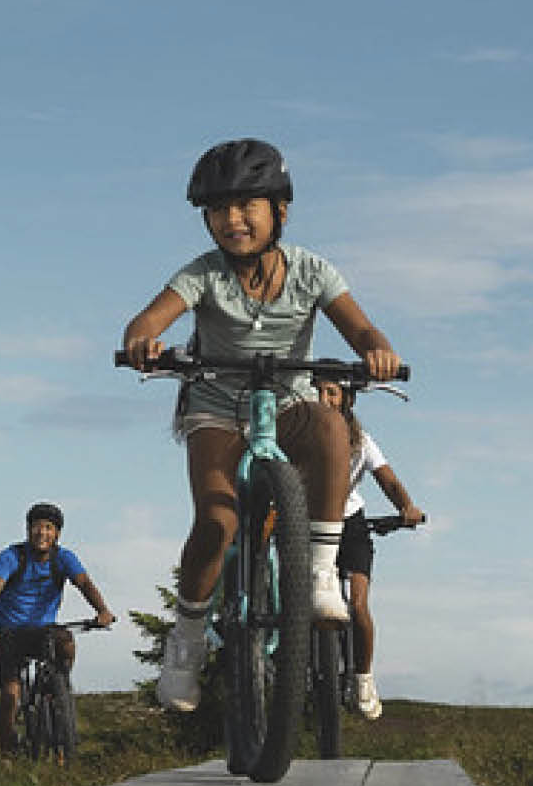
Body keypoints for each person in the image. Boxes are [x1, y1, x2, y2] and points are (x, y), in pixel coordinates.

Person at [120, 137, 404, 712]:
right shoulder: (202, 275)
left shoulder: (312, 271)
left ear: (281, 210)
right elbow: (150, 317)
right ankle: (190, 638)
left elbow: (362, 330)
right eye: (219, 209)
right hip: (216, 407)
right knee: (217, 521)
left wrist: (378, 351)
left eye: (248, 205)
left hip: (288, 402)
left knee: (329, 424)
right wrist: (141, 341)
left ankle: (320, 575)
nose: (233, 220)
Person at [316, 378, 425, 720]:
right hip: (310, 525)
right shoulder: (299, 437)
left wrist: (407, 507)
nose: (323, 398)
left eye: (331, 392)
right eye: (316, 391)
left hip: (351, 526)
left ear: (346, 400)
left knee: (358, 604)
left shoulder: (361, 442)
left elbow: (387, 479)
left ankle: (362, 678)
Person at [0, 502, 116, 754]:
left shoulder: (63, 558)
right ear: (28, 530)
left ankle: (60, 686)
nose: (42, 533)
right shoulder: (11, 556)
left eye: (49, 528)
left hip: (44, 630)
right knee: (10, 695)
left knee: (66, 641)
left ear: (57, 534)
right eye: (37, 527)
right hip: (10, 632)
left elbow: (84, 584)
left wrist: (102, 611)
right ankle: (8, 750)